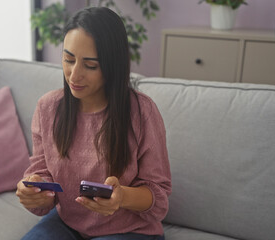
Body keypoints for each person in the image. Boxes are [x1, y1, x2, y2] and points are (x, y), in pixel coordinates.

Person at [16, 7, 171, 240]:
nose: (74, 75)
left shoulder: (142, 112)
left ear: (112, 66)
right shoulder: (48, 107)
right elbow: (42, 174)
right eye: (68, 59)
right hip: (67, 222)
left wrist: (122, 198)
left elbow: (158, 198)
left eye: (90, 65)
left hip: (129, 230)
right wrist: (34, 190)